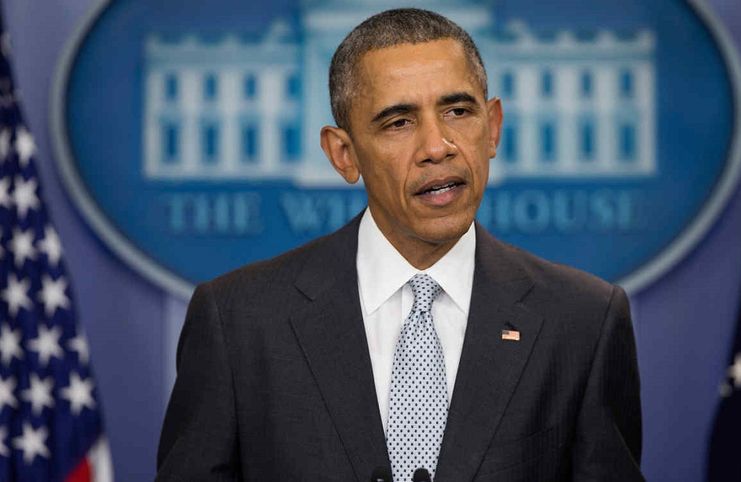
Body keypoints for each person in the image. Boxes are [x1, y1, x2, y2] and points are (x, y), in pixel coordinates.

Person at [156, 8, 643, 482]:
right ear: (344, 155)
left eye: (458, 111)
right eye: (399, 123)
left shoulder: (583, 321)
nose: (437, 146)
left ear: (492, 127)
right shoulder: (239, 321)